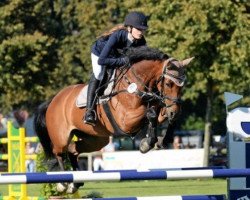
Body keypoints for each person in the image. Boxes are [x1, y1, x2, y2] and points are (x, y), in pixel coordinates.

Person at [84, 11, 148, 126]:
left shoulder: (141, 41)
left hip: (117, 57)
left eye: (143, 29)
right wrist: (123, 61)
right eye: (139, 29)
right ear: (129, 28)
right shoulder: (118, 35)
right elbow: (102, 61)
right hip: (100, 54)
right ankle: (89, 111)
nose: (141, 32)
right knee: (99, 74)